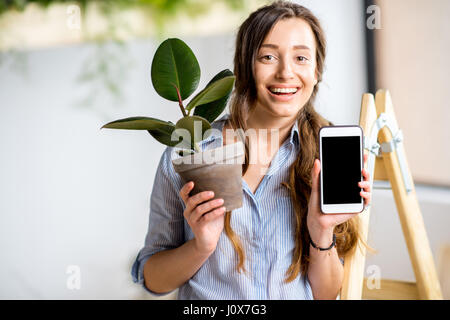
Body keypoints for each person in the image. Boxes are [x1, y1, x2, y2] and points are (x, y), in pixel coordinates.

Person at [131, 0, 371, 300]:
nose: (286, 73)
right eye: (268, 56)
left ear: (317, 70)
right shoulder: (189, 152)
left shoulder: (331, 155)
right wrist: (201, 245)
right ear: (245, 67)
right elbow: (153, 279)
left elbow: (326, 294)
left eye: (301, 58)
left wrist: (321, 229)